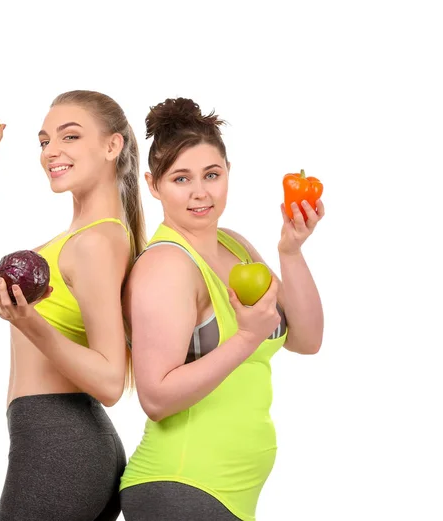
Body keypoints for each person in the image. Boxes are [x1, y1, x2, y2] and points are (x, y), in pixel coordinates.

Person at [119, 97, 325, 521]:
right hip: (182, 486)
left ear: (228, 173)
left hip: (225, 496)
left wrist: (290, 250)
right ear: (153, 185)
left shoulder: (234, 244)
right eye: (181, 179)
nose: (200, 192)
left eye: (212, 175)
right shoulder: (166, 267)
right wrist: (247, 338)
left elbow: (307, 339)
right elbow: (155, 397)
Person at [0, 90, 145, 521]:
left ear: (112, 146)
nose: (51, 152)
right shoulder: (72, 243)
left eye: (70, 137)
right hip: (65, 442)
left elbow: (111, 381)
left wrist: (30, 323)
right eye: (44, 142)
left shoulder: (95, 244)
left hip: (60, 443)